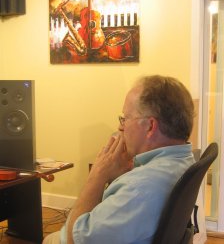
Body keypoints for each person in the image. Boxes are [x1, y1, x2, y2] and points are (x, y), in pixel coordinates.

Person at [43, 75, 195, 244]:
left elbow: (73, 240)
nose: (120, 127)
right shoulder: (184, 158)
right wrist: (118, 177)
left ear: (150, 126)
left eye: (126, 118)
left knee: (51, 239)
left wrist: (97, 176)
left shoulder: (140, 188)